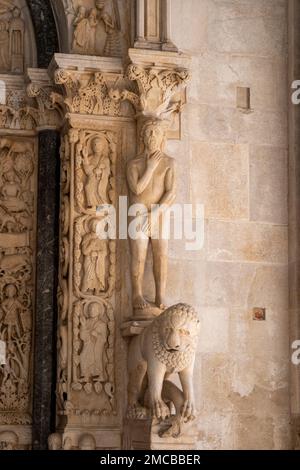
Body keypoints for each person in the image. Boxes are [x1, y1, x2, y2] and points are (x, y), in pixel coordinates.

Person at [127, 119, 176, 313]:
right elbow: (137, 189)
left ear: (162, 137)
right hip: (138, 211)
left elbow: (171, 192)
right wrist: (149, 167)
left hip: (159, 212)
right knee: (138, 253)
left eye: (156, 133)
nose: (152, 137)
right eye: (148, 133)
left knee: (161, 253)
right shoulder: (134, 164)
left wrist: (156, 212)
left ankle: (160, 294)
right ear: (142, 137)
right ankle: (137, 293)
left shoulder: (169, 162)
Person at [79, 302, 107, 382]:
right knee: (82, 356)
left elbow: (104, 338)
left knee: (97, 358)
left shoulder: (101, 324)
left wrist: (97, 335)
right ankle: (85, 375)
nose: (92, 310)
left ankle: (100, 375)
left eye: (94, 309)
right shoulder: (87, 322)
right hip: (87, 345)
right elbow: (83, 337)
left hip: (96, 346)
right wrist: (83, 326)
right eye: (90, 309)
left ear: (99, 311)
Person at [81, 219, 108, 295]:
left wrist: (97, 253)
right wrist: (91, 245)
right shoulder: (87, 237)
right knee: (88, 275)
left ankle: (97, 290)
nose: (97, 227)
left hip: (99, 261)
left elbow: (105, 252)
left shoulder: (101, 238)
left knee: (98, 275)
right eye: (95, 225)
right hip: (89, 260)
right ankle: (84, 291)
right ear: (91, 226)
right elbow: (84, 251)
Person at [83, 136, 110, 208]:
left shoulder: (105, 159)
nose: (96, 146)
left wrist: (101, 171)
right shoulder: (90, 158)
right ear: (92, 147)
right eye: (94, 144)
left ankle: (101, 206)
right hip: (91, 179)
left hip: (100, 180)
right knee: (87, 187)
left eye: (99, 145)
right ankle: (91, 205)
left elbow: (108, 172)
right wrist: (85, 157)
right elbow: (87, 170)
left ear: (102, 147)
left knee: (99, 192)